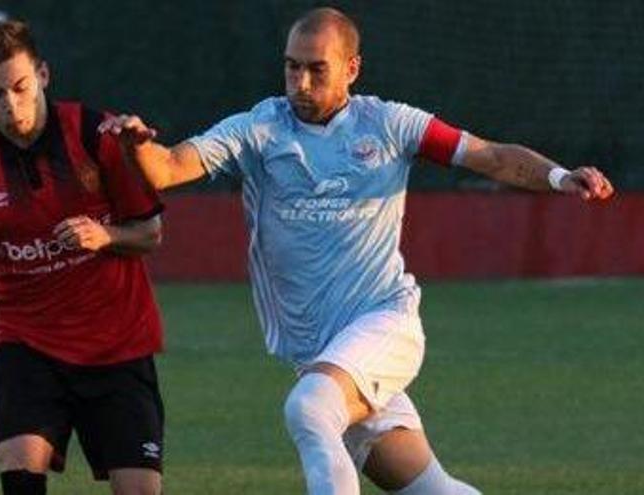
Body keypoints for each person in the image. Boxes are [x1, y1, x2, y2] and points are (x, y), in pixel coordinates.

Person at [99, 7, 613, 495]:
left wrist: (560, 176)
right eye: (291, 68)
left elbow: (491, 157)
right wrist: (136, 145)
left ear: (352, 68)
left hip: (383, 322)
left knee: (309, 409)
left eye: (316, 70)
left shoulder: (391, 125)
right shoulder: (258, 129)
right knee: (429, 487)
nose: (300, 83)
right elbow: (167, 168)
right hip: (322, 354)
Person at [0, 20, 167, 495]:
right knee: (18, 465)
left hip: (118, 343)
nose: (10, 105)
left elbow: (150, 233)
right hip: (29, 345)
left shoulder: (98, 133)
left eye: (19, 87)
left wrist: (104, 235)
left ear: (43, 75)